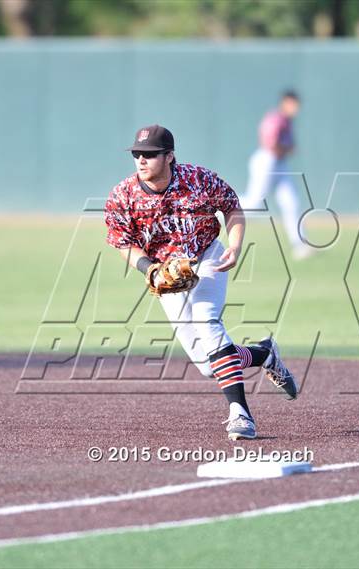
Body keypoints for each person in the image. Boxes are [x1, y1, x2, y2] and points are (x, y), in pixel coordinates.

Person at [105, 124, 297, 440]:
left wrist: (234, 246)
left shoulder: (198, 180)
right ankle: (264, 354)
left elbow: (232, 209)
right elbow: (121, 241)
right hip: (168, 276)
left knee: (207, 321)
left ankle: (241, 414)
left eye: (151, 154)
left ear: (169, 156)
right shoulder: (123, 195)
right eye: (138, 153)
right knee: (209, 365)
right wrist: (149, 269)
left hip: (208, 257)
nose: (142, 160)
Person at [241, 91, 312, 260]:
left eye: (297, 104)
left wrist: (288, 148)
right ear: (285, 103)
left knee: (291, 202)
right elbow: (271, 144)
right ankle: (221, 207)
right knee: (255, 203)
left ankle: (300, 244)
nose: (295, 108)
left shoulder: (287, 121)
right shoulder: (275, 118)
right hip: (267, 160)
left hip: (280, 164)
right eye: (292, 103)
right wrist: (288, 148)